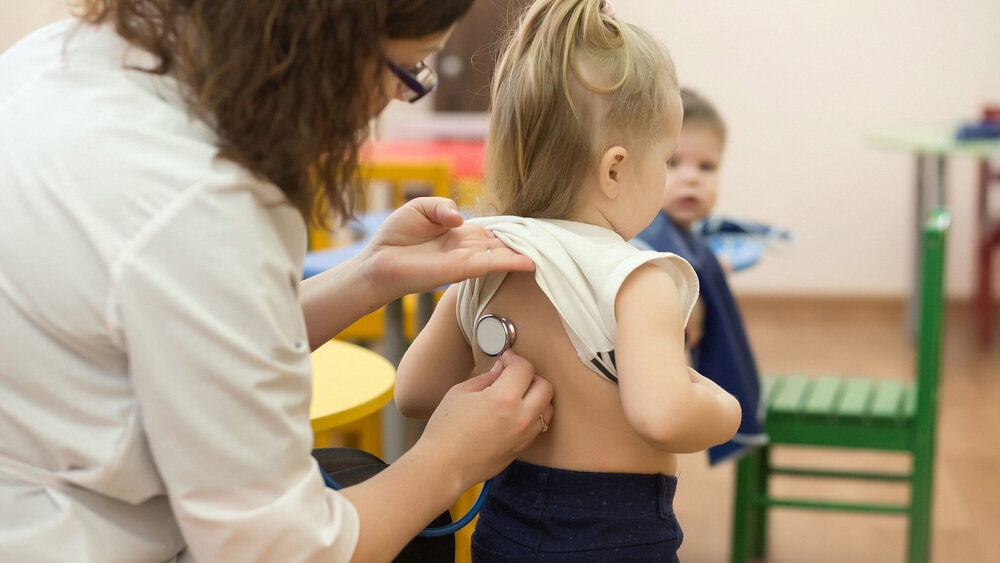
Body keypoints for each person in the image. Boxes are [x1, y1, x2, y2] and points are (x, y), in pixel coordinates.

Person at [0, 1, 555, 561]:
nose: (395, 96)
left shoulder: (58, 57)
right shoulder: (197, 203)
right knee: (410, 525)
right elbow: (282, 551)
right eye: (409, 69)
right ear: (328, 42)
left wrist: (370, 274)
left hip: (67, 485)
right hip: (70, 537)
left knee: (365, 479)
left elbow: (200, 328)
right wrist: (449, 461)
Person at [394, 1, 742, 560]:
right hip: (616, 540)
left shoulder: (486, 261)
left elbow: (414, 393)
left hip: (502, 532)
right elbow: (663, 415)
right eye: (666, 159)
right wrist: (726, 408)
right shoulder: (637, 280)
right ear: (615, 169)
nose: (668, 176)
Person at [633, 88, 766, 463]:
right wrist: (685, 296)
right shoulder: (641, 233)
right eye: (673, 163)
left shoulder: (687, 236)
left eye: (706, 167)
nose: (692, 178)